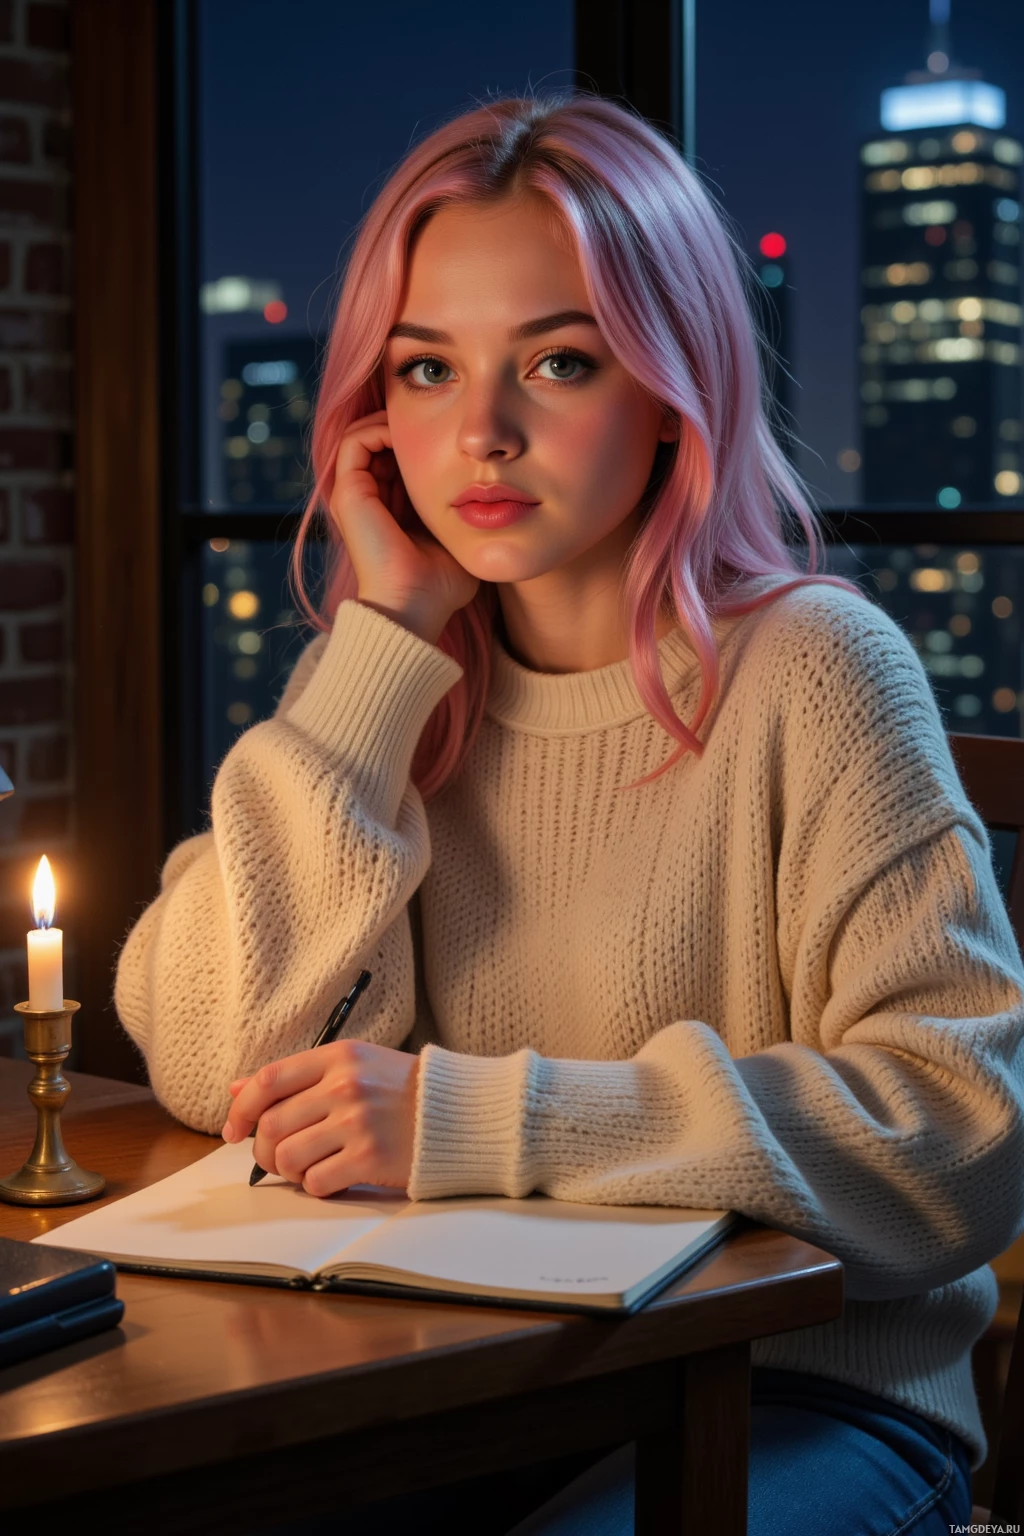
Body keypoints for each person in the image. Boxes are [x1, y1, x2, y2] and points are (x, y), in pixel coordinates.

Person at [114, 91, 1024, 1535]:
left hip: (797, 1391)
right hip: (457, 1383)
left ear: (673, 390)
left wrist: (482, 1118)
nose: (481, 432)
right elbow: (213, 1058)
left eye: (559, 360)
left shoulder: (818, 672)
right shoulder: (383, 679)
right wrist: (378, 656)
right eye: (424, 370)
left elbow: (959, 1134)